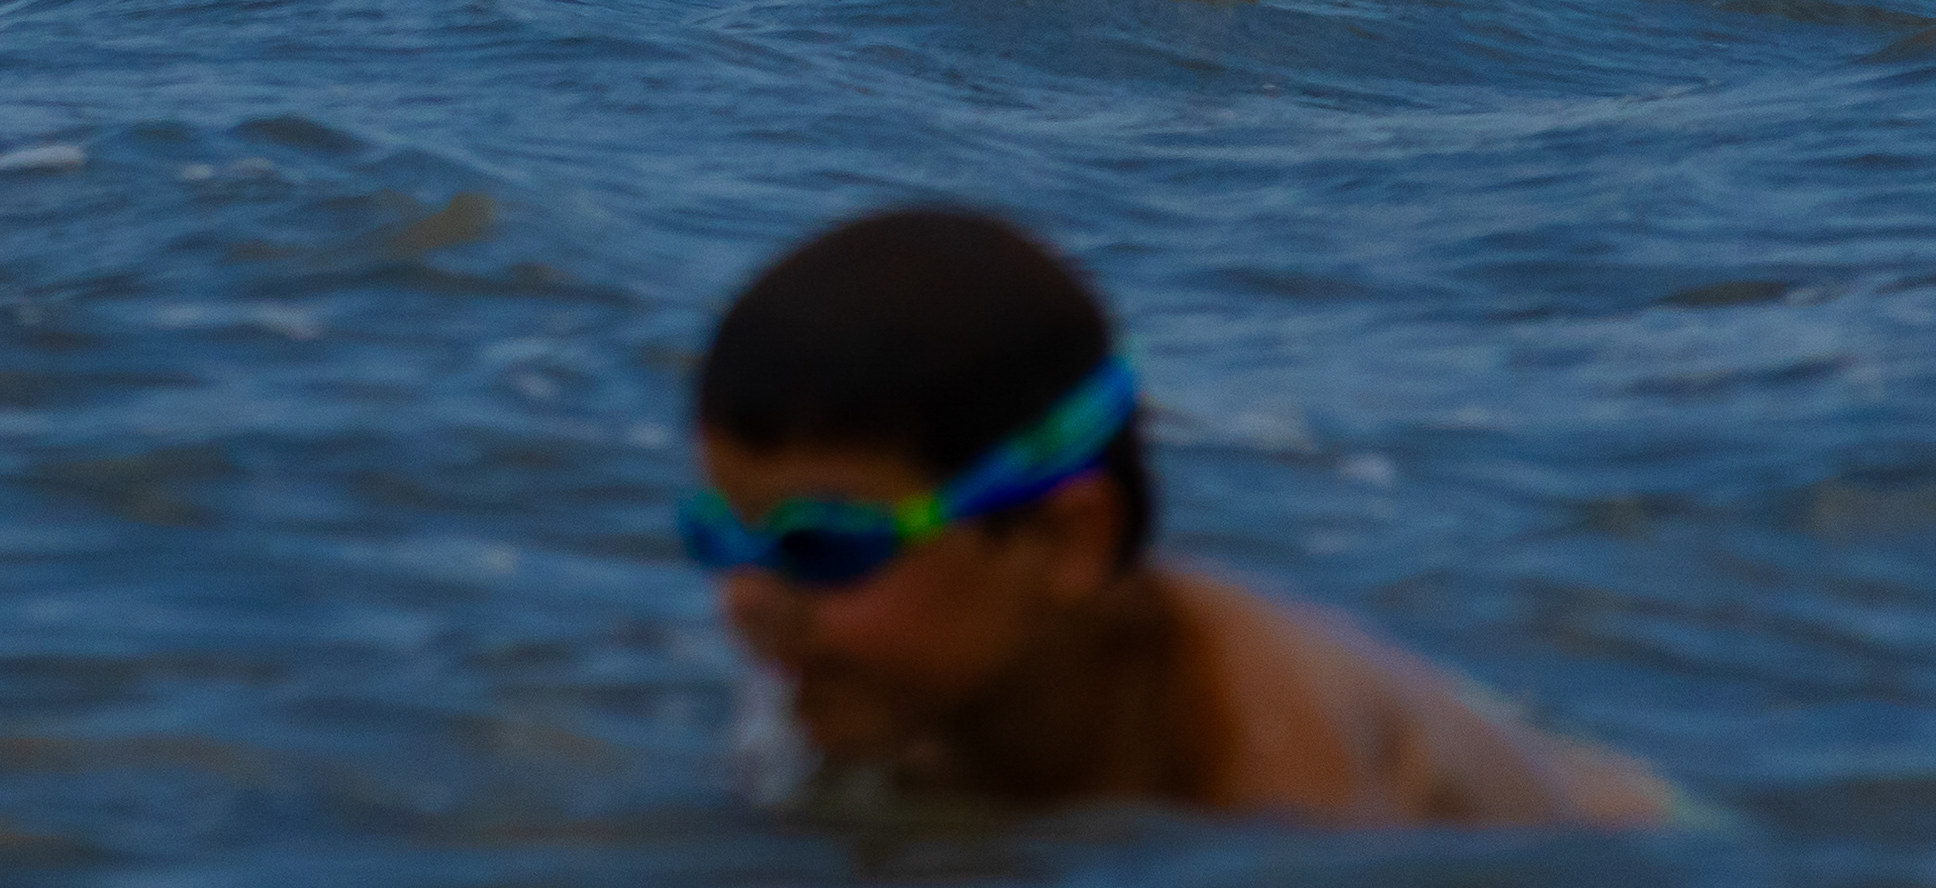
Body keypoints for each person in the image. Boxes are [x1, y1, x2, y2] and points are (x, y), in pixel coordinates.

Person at [683, 205, 1670, 827]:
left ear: (1067, 540)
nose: (747, 596)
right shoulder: (871, 680)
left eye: (822, 544)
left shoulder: (1283, 774)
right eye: (718, 537)